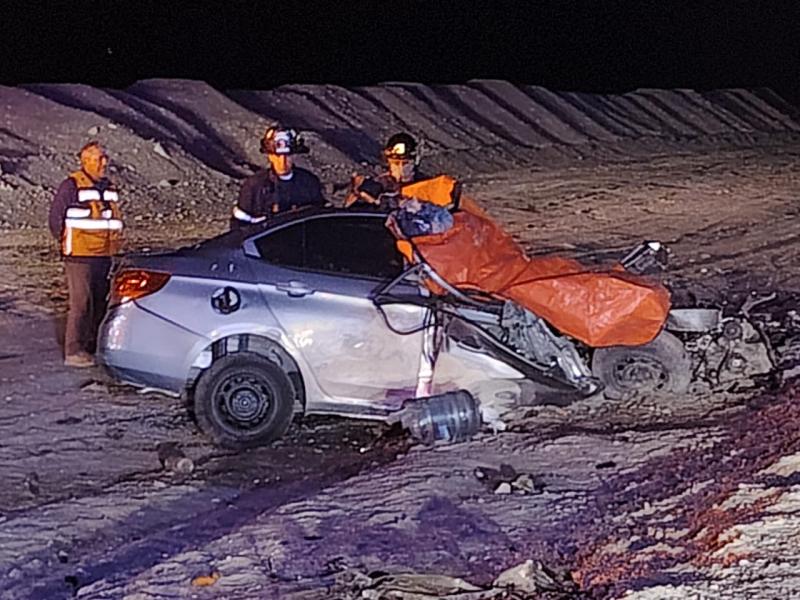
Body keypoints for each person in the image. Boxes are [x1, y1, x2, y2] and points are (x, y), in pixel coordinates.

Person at [48, 141, 123, 368]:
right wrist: (68, 243)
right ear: (86, 161)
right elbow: (55, 220)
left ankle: (93, 346)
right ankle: (74, 351)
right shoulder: (71, 186)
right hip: (80, 256)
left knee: (100, 302)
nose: (104, 162)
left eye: (104, 158)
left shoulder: (108, 187)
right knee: (81, 302)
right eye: (99, 158)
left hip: (104, 254)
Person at [230, 125, 326, 229]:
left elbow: (320, 221)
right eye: (277, 156)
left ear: (294, 156)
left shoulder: (309, 183)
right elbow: (238, 228)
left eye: (287, 156)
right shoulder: (254, 186)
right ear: (270, 156)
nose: (282, 161)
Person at [345, 132, 431, 209]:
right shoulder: (376, 185)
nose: (400, 168)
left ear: (415, 162)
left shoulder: (427, 187)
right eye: (395, 163)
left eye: (405, 164)